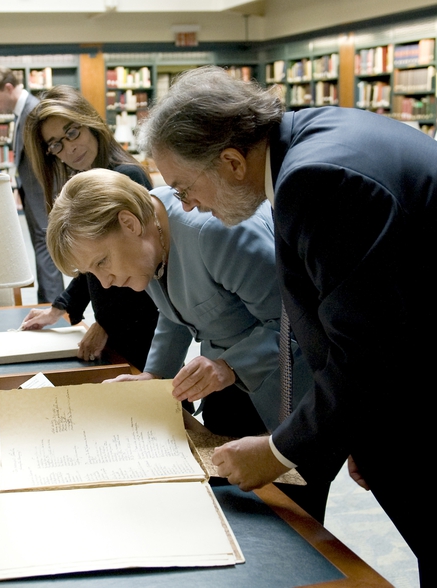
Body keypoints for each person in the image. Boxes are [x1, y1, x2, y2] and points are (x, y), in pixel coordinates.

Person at [139, 65, 434, 583]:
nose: (184, 205)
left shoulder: (317, 181)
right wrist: (358, 432)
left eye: (184, 186)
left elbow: (364, 353)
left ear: (231, 161)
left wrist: (278, 451)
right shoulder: (309, 143)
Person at [47, 168, 328, 520]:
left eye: (102, 262)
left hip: (295, 401)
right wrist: (154, 376)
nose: (104, 283)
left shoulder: (216, 232)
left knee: (295, 528)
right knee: (233, 513)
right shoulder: (150, 236)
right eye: (93, 272)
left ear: (129, 223)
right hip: (228, 387)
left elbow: (298, 324)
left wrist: (229, 366)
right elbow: (179, 308)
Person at [18, 86, 159, 370]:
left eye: (73, 132)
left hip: (141, 326)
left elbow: (140, 265)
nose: (70, 148)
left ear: (90, 122)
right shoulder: (85, 182)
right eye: (56, 144)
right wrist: (59, 307)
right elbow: (92, 264)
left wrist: (104, 324)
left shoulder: (126, 176)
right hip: (116, 327)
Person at [0, 67, 64, 304]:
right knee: (41, 251)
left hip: (45, 195)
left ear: (8, 88)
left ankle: (52, 306)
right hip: (33, 194)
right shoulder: (21, 114)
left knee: (47, 253)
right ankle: (45, 302)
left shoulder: (35, 111)